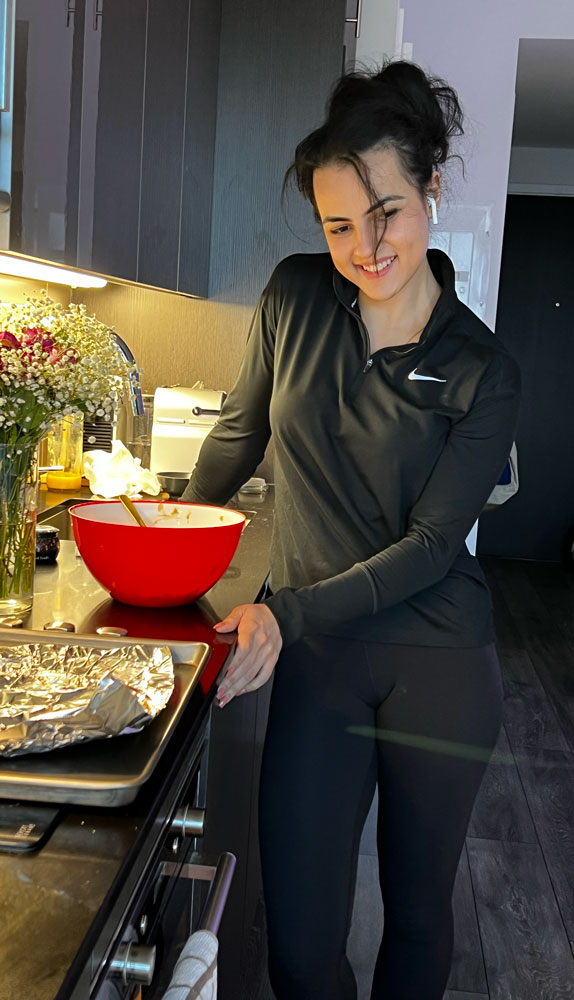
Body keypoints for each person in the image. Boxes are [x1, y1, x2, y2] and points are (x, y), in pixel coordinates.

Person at [181, 60, 521, 1000]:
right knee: (298, 934)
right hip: (320, 660)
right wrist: (168, 538)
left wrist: (284, 611)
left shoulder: (482, 368)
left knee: (416, 917)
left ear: (431, 192)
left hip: (439, 663)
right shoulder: (295, 299)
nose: (366, 248)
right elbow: (238, 438)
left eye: (388, 215)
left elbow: (430, 547)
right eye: (339, 225)